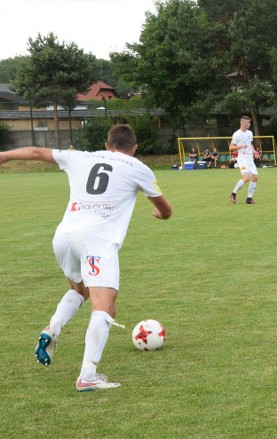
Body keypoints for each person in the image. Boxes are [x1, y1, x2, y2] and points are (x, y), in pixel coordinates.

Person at [0, 124, 173, 391]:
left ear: (106, 145)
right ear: (134, 148)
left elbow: (35, 151)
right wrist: (159, 215)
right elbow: (165, 209)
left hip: (64, 236)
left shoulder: (80, 156)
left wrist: (4, 156)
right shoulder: (137, 167)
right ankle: (88, 377)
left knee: (80, 290)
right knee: (105, 307)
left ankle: (53, 327)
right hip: (97, 239)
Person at [229, 116, 258, 204]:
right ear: (243, 123)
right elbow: (231, 147)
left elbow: (250, 144)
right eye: (247, 123)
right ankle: (233, 193)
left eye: (249, 123)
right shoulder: (236, 134)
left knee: (255, 177)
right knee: (246, 178)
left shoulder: (250, 133)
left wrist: (254, 152)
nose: (249, 124)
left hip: (250, 159)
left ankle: (249, 198)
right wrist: (240, 146)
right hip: (242, 158)